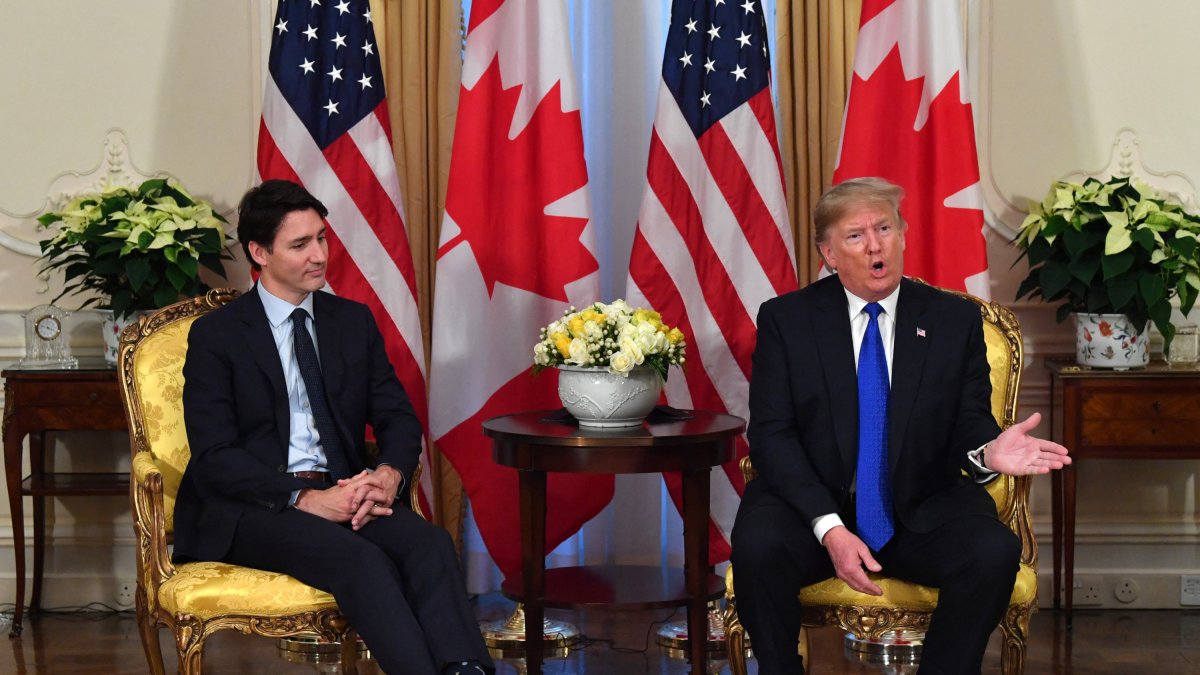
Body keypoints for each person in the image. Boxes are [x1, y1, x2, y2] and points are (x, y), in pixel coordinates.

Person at [730, 177, 1071, 674]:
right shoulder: (788, 320)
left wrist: (987, 454)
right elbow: (772, 435)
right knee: (759, 543)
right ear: (828, 253)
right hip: (816, 512)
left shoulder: (953, 320)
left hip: (920, 509)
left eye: (884, 227)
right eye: (855, 235)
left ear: (903, 235)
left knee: (993, 550)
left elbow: (969, 423)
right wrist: (830, 530)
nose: (874, 244)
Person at [175, 179, 493, 675]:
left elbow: (397, 416)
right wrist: (304, 499)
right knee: (360, 560)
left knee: (428, 543)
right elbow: (215, 455)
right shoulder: (217, 335)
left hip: (346, 490)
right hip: (254, 508)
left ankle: (467, 668)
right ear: (259, 252)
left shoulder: (352, 321)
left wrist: (387, 474)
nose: (319, 254)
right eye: (300, 244)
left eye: (321, 238)